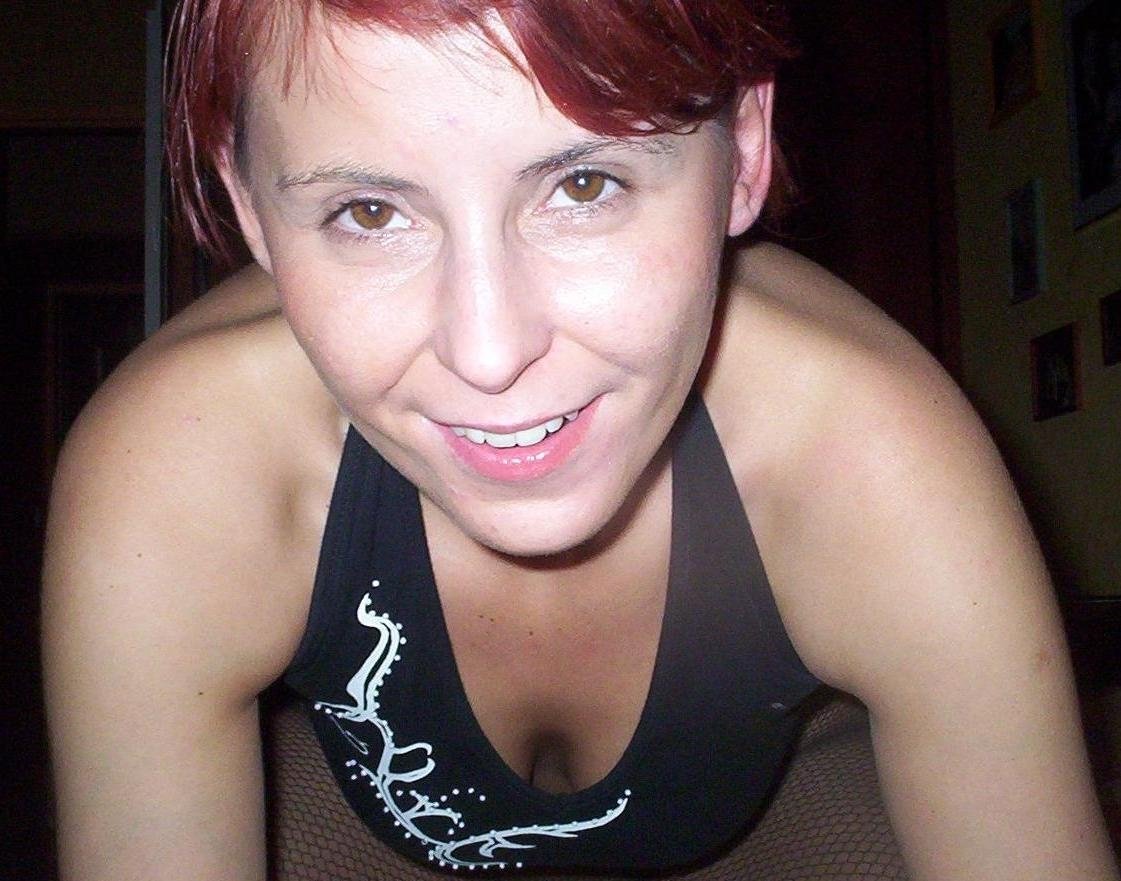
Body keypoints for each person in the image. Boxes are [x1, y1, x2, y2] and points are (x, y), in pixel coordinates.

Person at [42, 1, 1119, 879]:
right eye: (368, 212)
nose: (488, 351)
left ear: (744, 150)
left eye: (584, 184)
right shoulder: (176, 469)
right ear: (250, 211)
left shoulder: (873, 456)